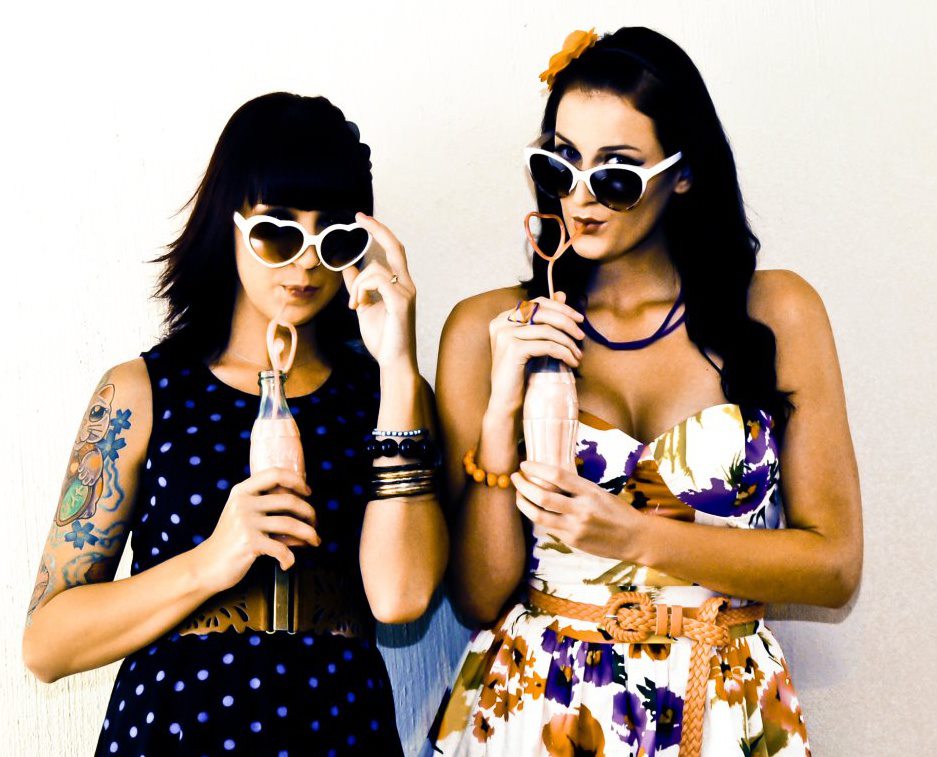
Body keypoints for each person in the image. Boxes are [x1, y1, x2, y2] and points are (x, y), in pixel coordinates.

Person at [432, 27, 861, 756]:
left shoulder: (777, 311)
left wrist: (635, 536)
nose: (580, 197)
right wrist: (503, 406)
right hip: (540, 708)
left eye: (616, 174)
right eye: (560, 163)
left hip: (720, 702)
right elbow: (476, 596)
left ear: (682, 174)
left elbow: (834, 567)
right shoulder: (488, 327)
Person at [23, 92, 448, 756]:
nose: (306, 261)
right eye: (278, 230)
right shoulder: (142, 393)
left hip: (337, 726)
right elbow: (47, 645)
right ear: (230, 224)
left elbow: (400, 598)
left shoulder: (390, 395)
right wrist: (210, 561)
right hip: (176, 726)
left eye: (333, 235)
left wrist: (396, 363)